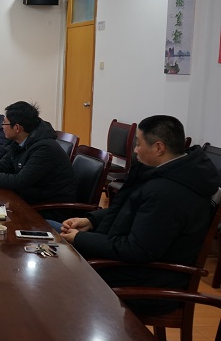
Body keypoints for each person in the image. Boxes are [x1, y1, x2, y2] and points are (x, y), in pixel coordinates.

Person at [59, 115, 221, 314]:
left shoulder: (168, 193)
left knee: (59, 271)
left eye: (138, 143)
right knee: (56, 254)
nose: (135, 150)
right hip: (135, 266)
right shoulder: (171, 172)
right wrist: (91, 221)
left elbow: (136, 250)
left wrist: (80, 239)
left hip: (148, 282)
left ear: (159, 148)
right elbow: (133, 208)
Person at [0, 101, 76, 204]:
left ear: (17, 128)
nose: (1, 126)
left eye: (4, 123)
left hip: (48, 208)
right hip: (28, 199)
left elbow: (19, 181)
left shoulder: (45, 149)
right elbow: (3, 165)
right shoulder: (19, 141)